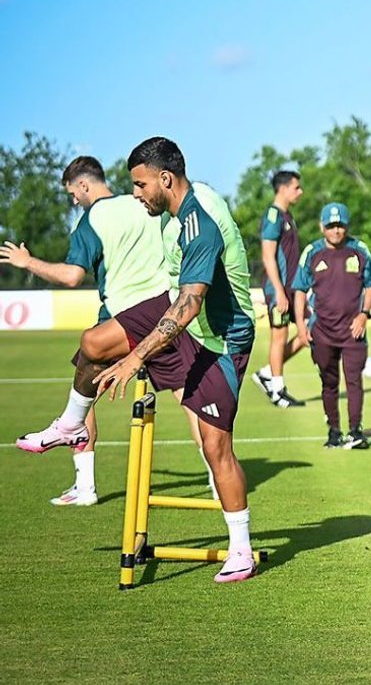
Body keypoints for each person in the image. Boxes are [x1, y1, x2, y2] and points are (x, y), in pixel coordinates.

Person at [94, 137, 259, 583]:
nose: (136, 193)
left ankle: (241, 550)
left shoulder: (198, 226)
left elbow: (185, 307)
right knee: (96, 341)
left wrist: (134, 360)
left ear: (165, 179)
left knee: (215, 447)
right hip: (194, 327)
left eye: (140, 184)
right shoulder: (174, 217)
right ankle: (71, 419)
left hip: (222, 342)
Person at [4, 156, 204, 506]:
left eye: (72, 194)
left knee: (85, 379)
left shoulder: (90, 221)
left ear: (83, 185)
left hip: (121, 316)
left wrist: (28, 262)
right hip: (165, 314)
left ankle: (84, 485)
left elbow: (71, 276)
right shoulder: (147, 204)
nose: (73, 201)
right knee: (189, 397)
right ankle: (218, 476)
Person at [293, 202, 371, 449]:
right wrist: (300, 326)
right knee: (329, 383)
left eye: (340, 225)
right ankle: (333, 430)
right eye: (331, 226)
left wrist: (364, 314)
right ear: (322, 227)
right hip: (322, 331)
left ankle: (355, 431)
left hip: (353, 330)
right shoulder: (312, 252)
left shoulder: (359, 250)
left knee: (354, 381)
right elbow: (299, 290)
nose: (336, 230)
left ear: (347, 226)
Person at [251, 170, 308, 407]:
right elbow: (267, 256)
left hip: (292, 290)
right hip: (279, 291)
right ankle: (277, 390)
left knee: (308, 333)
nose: (300, 191)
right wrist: (279, 291)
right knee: (279, 336)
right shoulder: (273, 216)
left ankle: (267, 373)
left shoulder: (287, 216)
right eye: (296, 187)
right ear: (283, 189)